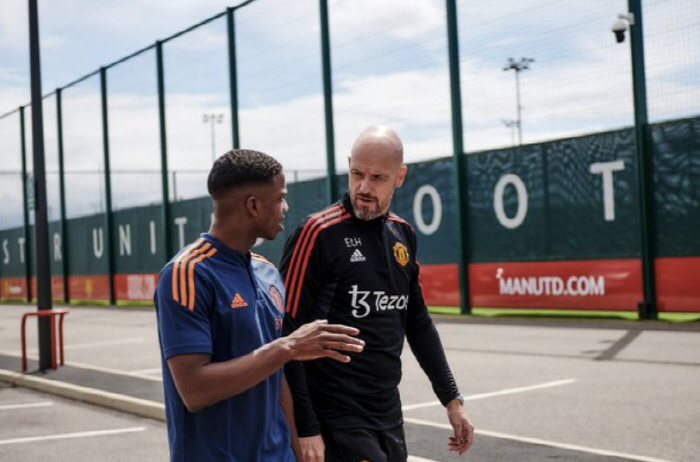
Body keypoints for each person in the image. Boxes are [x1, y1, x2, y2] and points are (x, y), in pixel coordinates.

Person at [154, 149, 365, 462]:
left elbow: (276, 374)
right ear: (253, 205)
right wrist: (287, 347)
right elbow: (194, 391)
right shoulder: (187, 273)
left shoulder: (267, 271)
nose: (285, 207)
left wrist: (297, 449)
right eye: (280, 198)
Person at [281, 126, 474, 462]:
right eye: (357, 174)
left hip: (387, 413)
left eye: (378, 178)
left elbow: (417, 321)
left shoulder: (402, 233)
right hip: (335, 417)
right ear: (348, 166)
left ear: (400, 177)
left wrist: (452, 400)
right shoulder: (318, 232)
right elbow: (286, 331)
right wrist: (306, 426)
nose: (364, 187)